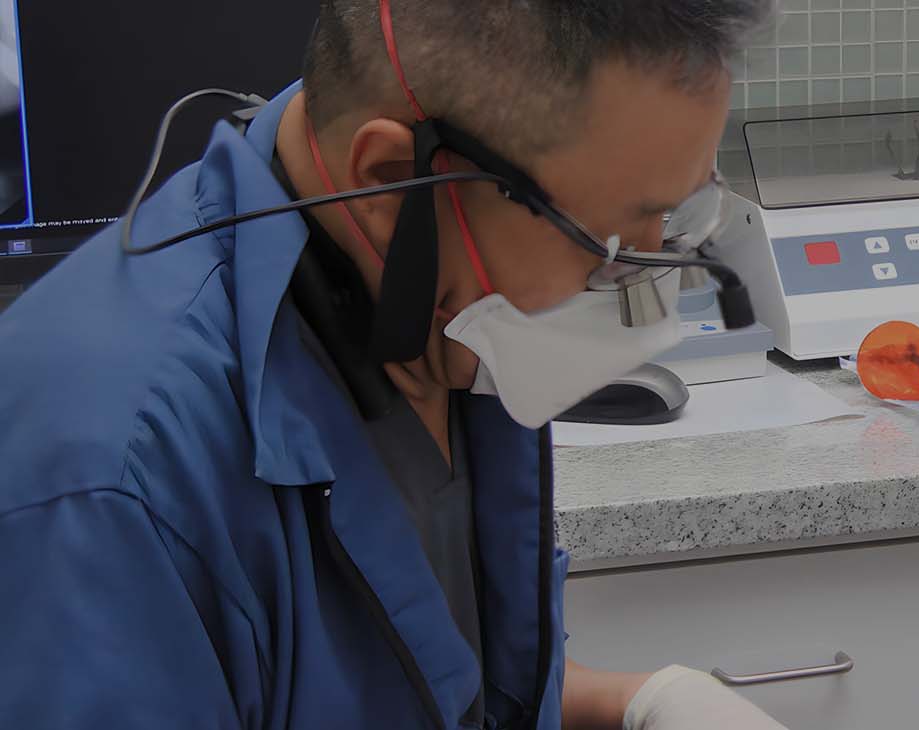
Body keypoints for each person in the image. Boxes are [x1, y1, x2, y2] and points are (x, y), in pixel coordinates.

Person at [0, 1, 790, 728]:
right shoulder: (111, 486)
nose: (643, 296)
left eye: (675, 217)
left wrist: (632, 702)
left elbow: (430, 672)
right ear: (387, 182)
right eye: (610, 245)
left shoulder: (439, 300)